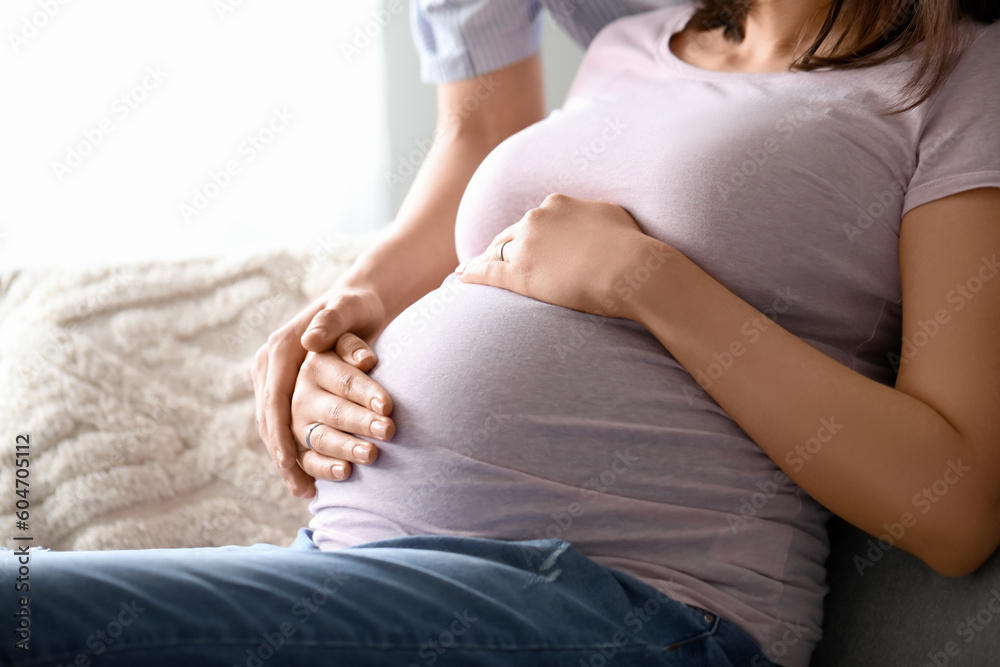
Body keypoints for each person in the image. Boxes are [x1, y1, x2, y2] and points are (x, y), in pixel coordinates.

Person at [4, 2, 999, 666]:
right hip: (351, 561)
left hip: (631, 605)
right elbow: (491, 211)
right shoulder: (631, 49)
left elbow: (953, 508)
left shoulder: (960, 78)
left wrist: (644, 280)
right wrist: (343, 346)